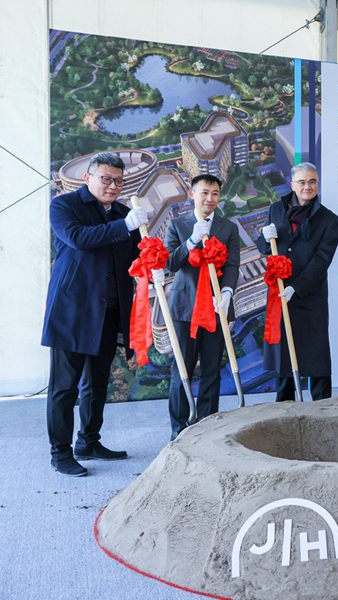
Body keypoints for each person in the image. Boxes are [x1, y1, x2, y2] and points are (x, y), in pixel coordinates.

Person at [41, 152, 149, 476]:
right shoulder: (65, 206)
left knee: (97, 383)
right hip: (72, 312)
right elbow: (78, 239)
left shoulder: (123, 213)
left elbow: (134, 260)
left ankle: (88, 440)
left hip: (108, 312)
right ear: (88, 177)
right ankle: (59, 452)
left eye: (119, 180)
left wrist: (152, 256)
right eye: (106, 179)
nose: (113, 186)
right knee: (65, 387)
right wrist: (125, 225)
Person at [163, 174, 240, 440]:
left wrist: (228, 292)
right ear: (192, 194)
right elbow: (170, 263)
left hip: (216, 307)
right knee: (182, 368)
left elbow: (232, 265)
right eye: (205, 192)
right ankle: (179, 429)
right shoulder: (178, 225)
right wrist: (191, 242)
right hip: (186, 309)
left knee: (211, 368)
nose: (210, 198)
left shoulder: (228, 227)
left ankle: (208, 426)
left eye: (215, 193)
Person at [257, 162, 338, 401]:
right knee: (284, 351)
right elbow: (266, 248)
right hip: (279, 292)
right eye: (302, 182)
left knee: (316, 353)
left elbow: (322, 260)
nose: (307, 186)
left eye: (312, 181)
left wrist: (297, 287)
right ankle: (284, 406)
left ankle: (322, 406)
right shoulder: (276, 209)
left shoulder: (329, 220)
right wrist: (263, 238)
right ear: (293, 184)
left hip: (309, 295)